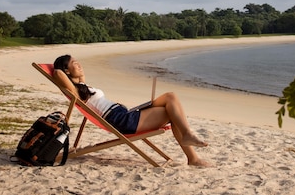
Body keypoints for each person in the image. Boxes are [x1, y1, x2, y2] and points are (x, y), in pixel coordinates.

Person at [52, 54, 211, 167]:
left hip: (124, 114)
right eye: (74, 62)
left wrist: (75, 69)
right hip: (120, 120)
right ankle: (191, 149)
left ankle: (191, 150)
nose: (79, 65)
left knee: (171, 97)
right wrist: (61, 69)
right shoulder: (74, 92)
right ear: (66, 70)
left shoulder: (83, 88)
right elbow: (57, 73)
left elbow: (80, 76)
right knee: (171, 109)